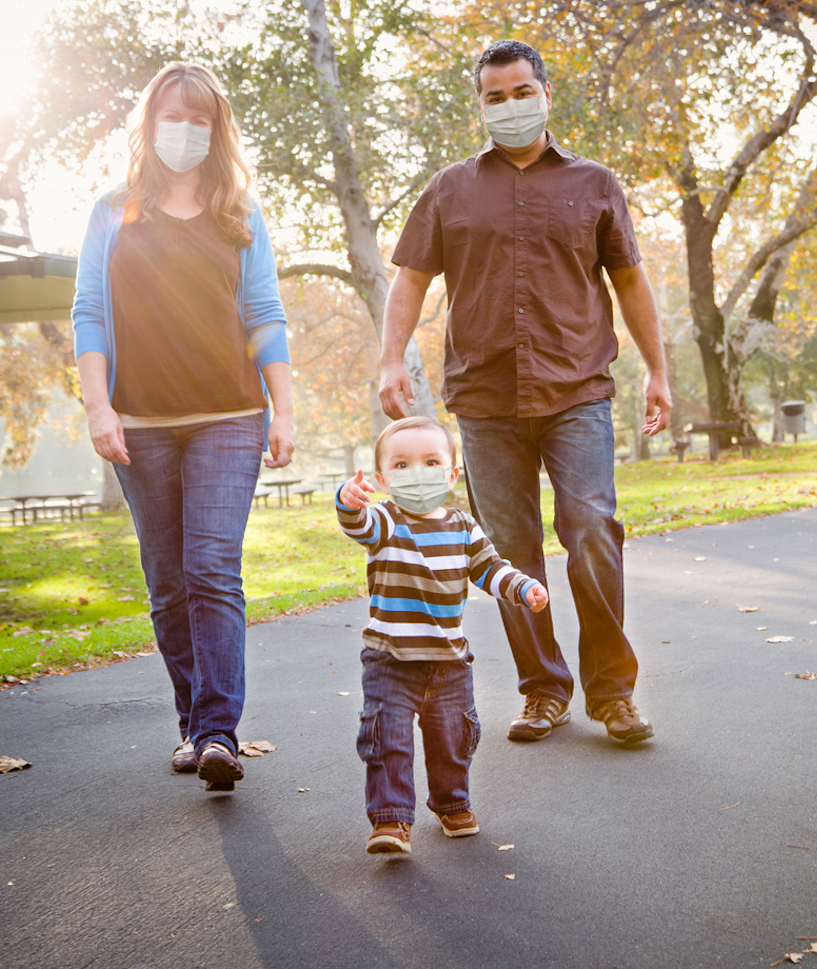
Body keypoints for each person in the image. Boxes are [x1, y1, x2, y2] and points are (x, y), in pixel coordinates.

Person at [379, 40, 671, 747]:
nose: (507, 106)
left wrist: (658, 371)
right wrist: (392, 358)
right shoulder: (450, 189)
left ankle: (613, 693)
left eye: (519, 92)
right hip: (484, 399)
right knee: (510, 552)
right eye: (493, 96)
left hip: (577, 390)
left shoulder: (596, 183)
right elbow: (412, 278)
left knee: (592, 531)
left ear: (544, 94)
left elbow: (630, 280)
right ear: (479, 104)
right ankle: (543, 689)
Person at [71, 62, 294, 792]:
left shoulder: (240, 213)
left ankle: (218, 731)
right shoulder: (112, 211)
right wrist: (99, 405)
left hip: (230, 415)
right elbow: (90, 315)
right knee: (168, 581)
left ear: (217, 130)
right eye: (175, 116)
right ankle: (193, 724)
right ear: (149, 122)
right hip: (139, 422)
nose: (187, 132)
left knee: (209, 567)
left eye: (201, 121)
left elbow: (263, 314)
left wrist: (283, 407)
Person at [336, 416, 548, 854]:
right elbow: (358, 524)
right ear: (382, 478)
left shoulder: (462, 526)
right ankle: (391, 820)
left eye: (432, 461)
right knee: (387, 740)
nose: (418, 473)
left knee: (452, 738)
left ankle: (451, 802)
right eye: (402, 464)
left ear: (452, 473)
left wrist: (522, 586)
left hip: (448, 660)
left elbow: (490, 569)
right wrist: (348, 501)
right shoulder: (386, 520)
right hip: (390, 660)